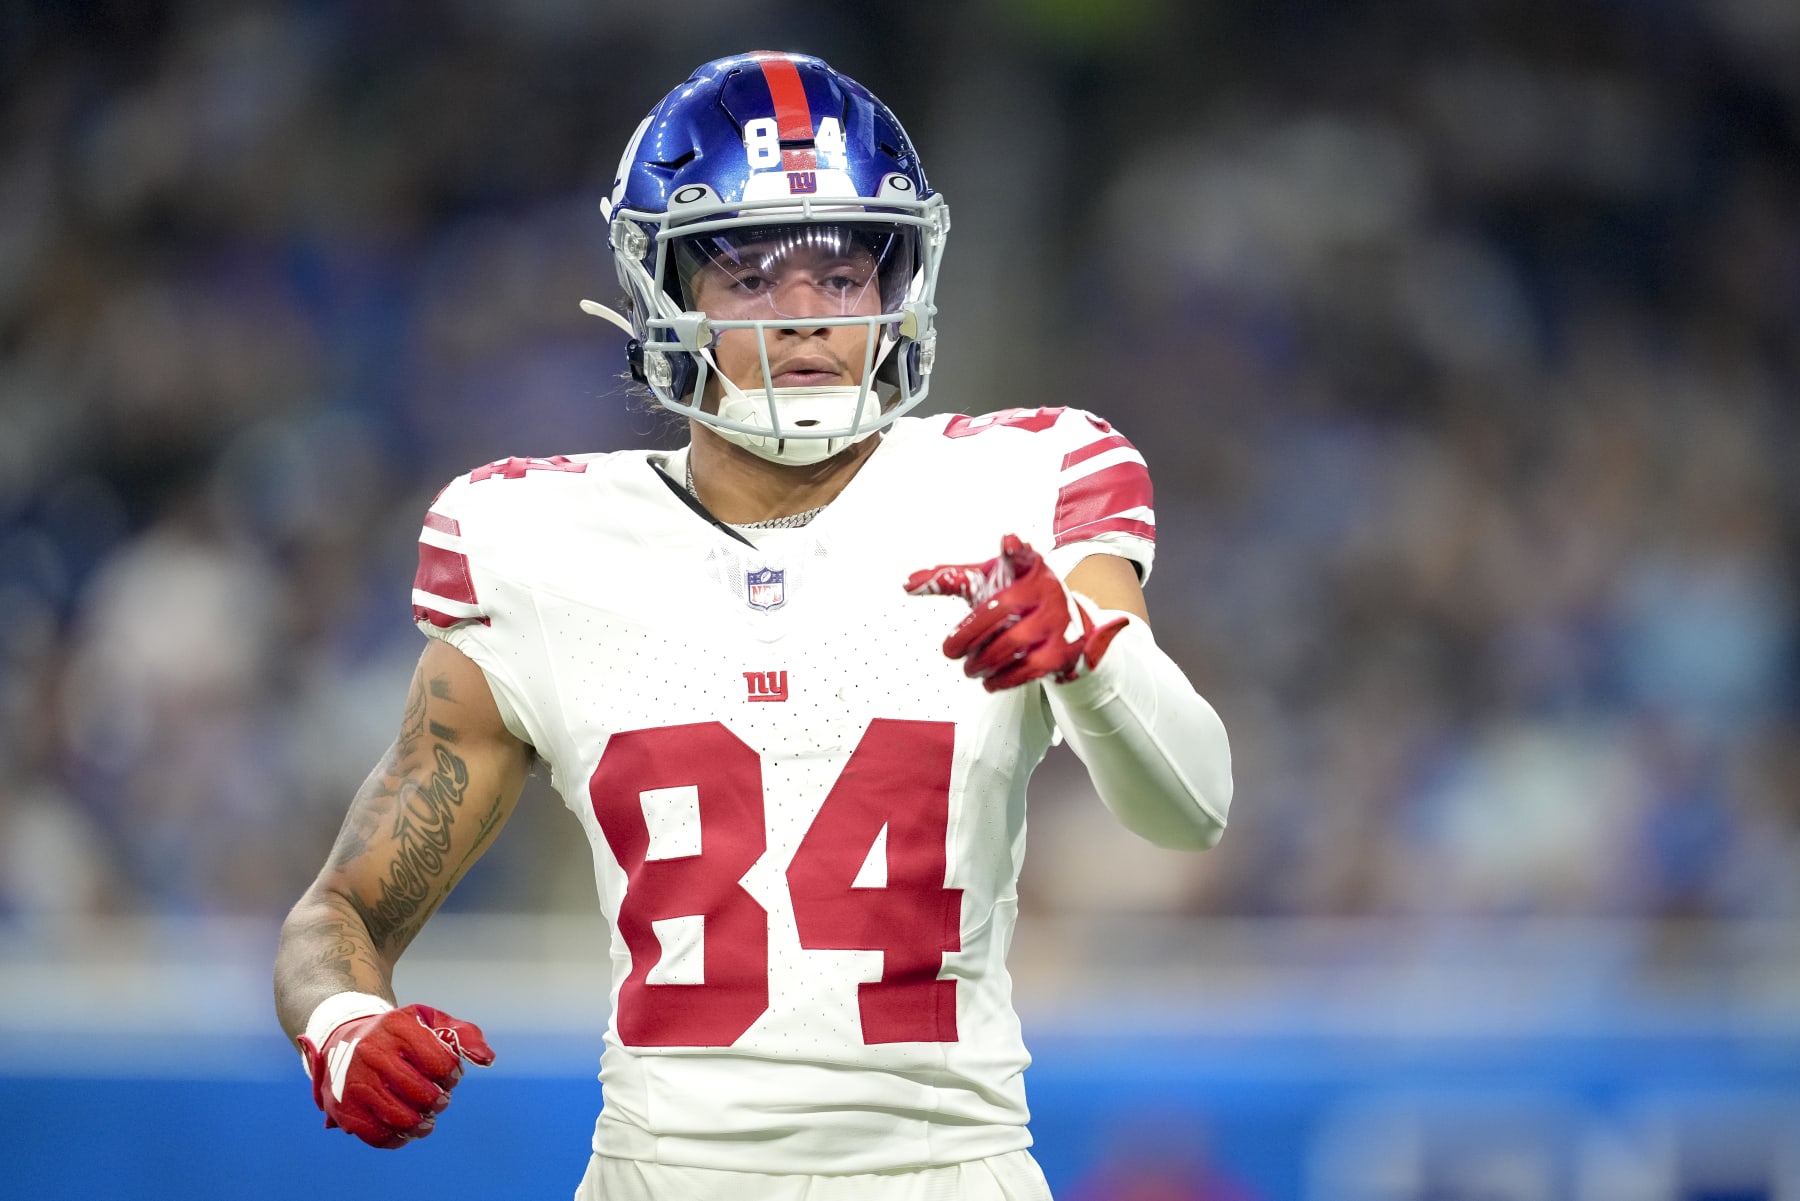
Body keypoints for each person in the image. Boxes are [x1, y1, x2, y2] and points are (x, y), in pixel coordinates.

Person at [273, 50, 1234, 1201]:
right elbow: (340, 911)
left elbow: (1191, 807)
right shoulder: (536, 542)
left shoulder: (1028, 482)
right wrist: (340, 1018)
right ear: (664, 292)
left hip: (944, 1172)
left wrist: (1092, 656)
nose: (806, 319)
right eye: (751, 276)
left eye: (842, 273)